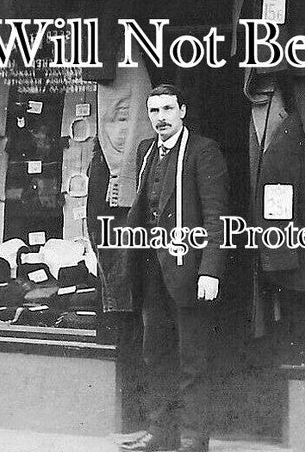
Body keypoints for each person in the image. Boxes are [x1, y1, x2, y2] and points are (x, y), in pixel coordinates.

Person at [118, 84, 228, 452]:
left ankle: (193, 438)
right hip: (152, 271)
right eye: (154, 111)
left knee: (192, 358)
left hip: (188, 270)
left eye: (167, 109)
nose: (160, 118)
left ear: (183, 111)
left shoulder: (203, 151)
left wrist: (210, 270)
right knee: (156, 354)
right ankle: (159, 431)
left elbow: (217, 217)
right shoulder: (146, 151)